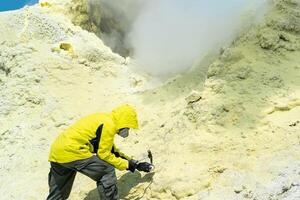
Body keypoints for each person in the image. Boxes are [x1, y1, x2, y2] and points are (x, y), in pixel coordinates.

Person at [47, 104, 152, 200]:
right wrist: (127, 164)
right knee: (106, 171)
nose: (127, 130)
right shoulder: (109, 125)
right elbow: (104, 154)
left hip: (57, 152)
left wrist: (134, 164)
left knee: (58, 193)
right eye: (127, 127)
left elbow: (112, 151)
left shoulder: (103, 119)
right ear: (123, 122)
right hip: (73, 151)